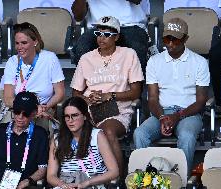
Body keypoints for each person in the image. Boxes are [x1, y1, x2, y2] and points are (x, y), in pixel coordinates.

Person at [70, 16, 144, 178]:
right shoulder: (86, 58)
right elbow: (76, 93)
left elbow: (136, 92)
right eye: (98, 33)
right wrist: (87, 99)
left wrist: (109, 95)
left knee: (107, 132)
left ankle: (117, 179)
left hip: (117, 110)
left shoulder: (128, 54)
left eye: (106, 34)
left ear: (117, 37)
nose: (101, 38)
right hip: (90, 110)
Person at [133, 17, 210, 172]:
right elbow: (153, 98)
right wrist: (162, 117)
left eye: (175, 39)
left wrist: (178, 116)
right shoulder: (154, 61)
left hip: (189, 114)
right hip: (161, 112)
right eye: (167, 38)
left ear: (185, 39)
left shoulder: (199, 62)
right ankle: (148, 180)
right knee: (140, 133)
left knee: (187, 136)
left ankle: (181, 181)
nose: (170, 43)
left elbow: (201, 101)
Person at [1, 22, 65, 132]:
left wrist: (45, 107)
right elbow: (8, 98)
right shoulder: (12, 62)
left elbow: (60, 93)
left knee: (39, 130)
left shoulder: (49, 58)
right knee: (8, 130)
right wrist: (29, 108)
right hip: (17, 108)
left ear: (35, 42)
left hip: (43, 108)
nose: (19, 47)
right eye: (17, 43)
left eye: (24, 43)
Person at [47, 97, 119, 189]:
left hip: (92, 182)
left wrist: (87, 183)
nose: (70, 120)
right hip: (66, 182)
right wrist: (63, 185)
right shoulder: (57, 139)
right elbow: (51, 176)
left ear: (85, 116)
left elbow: (114, 171)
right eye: (67, 116)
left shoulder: (96, 135)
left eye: (75, 115)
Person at [0, 91, 49, 189]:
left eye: (26, 113)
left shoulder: (40, 134)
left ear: (34, 113)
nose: (20, 117)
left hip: (25, 186)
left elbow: (43, 168)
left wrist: (28, 181)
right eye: (17, 112)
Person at [71, 0, 148, 74]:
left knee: (137, 49)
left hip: (130, 25)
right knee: (82, 47)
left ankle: (134, 85)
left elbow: (137, 1)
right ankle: (92, 84)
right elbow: (78, 16)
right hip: (99, 27)